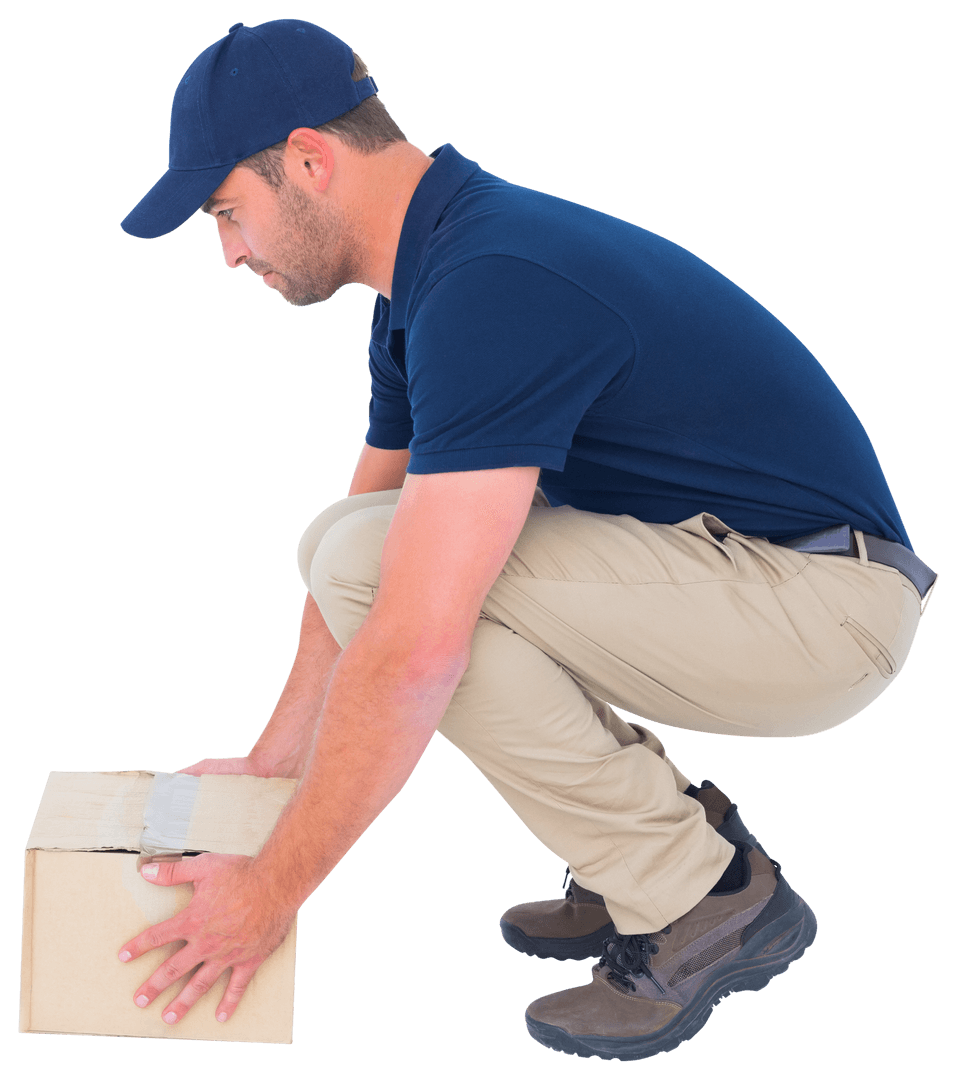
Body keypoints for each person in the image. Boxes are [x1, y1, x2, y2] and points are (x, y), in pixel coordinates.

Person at [119, 19, 936, 1060]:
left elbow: (409, 640)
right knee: (362, 548)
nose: (232, 254)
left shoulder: (491, 283)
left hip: (823, 613)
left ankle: (699, 895)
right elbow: (354, 552)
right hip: (751, 583)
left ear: (310, 162)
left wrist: (268, 892)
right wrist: (276, 763)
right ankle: (650, 846)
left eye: (228, 214)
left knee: (398, 582)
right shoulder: (429, 282)